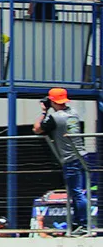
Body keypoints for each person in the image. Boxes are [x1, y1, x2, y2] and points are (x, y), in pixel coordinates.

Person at [33, 87, 88, 232]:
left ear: (52, 101)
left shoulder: (56, 117)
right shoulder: (73, 113)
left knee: (76, 192)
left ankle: (83, 223)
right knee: (78, 191)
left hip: (70, 158)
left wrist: (44, 111)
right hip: (81, 155)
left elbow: (37, 129)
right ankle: (78, 223)